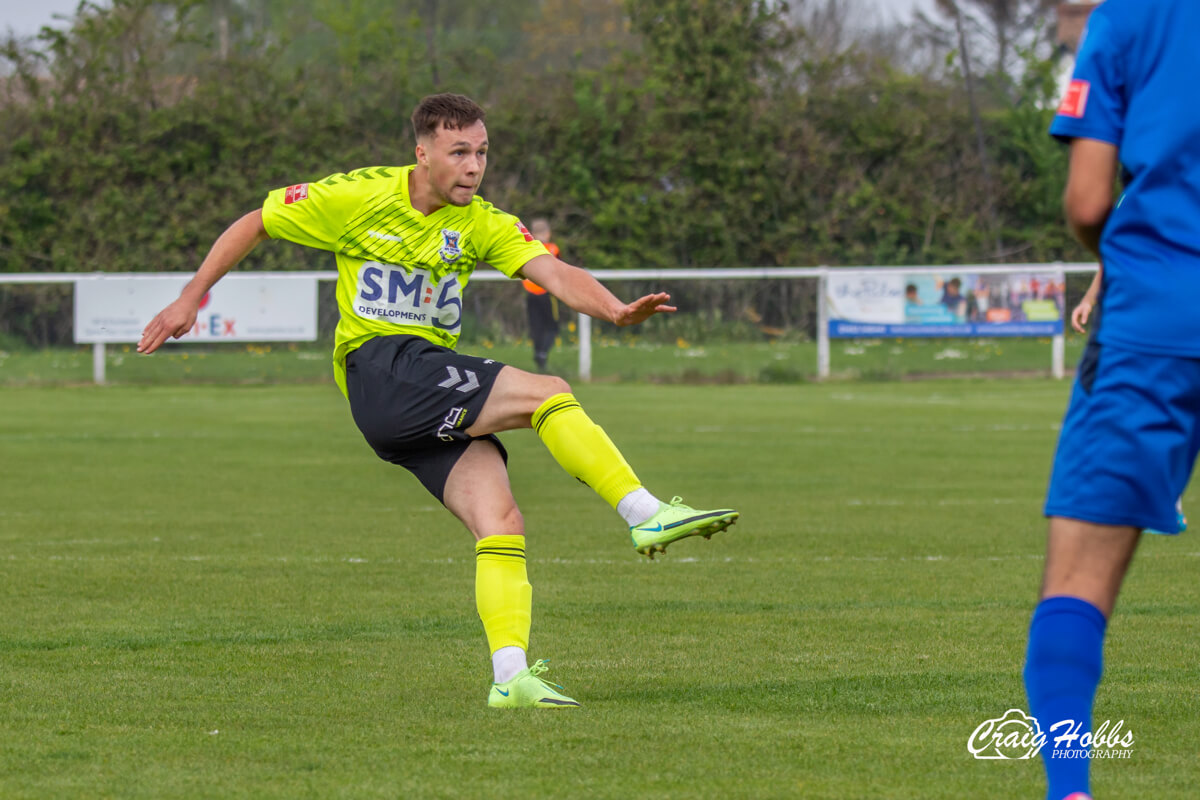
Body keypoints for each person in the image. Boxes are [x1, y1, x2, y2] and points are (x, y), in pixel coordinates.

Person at [136, 93, 738, 710]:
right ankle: (642, 512)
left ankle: (511, 678)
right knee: (547, 394)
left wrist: (613, 308)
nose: (474, 166)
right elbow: (257, 220)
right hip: (380, 368)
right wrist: (190, 299)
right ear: (421, 154)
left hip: (412, 396)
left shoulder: (482, 222)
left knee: (500, 522)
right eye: (459, 153)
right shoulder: (359, 196)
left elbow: (554, 273)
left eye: (481, 152)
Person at [1026, 2, 1200, 798]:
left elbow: (1090, 202)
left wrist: (1132, 261)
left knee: (1075, 587)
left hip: (1159, 321)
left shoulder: (1127, 19)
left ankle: (1071, 790)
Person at [521, 218, 560, 371]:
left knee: (535, 327)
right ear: (548, 233)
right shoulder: (553, 249)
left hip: (530, 294)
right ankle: (542, 354)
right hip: (546, 293)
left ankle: (538, 354)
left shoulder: (527, 248)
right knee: (553, 328)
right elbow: (561, 270)